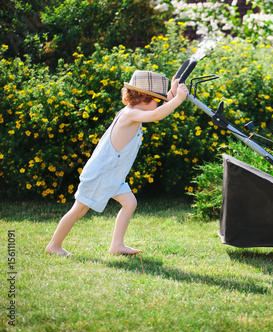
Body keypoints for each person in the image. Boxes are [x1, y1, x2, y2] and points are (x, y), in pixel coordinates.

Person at [46, 70, 189, 256]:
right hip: (101, 173)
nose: (160, 104)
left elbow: (156, 109)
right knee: (79, 210)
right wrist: (177, 100)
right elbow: (156, 115)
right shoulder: (130, 115)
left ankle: (117, 245)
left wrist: (172, 94)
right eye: (158, 100)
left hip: (113, 174)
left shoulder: (136, 111)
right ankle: (54, 246)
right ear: (144, 99)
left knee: (129, 203)